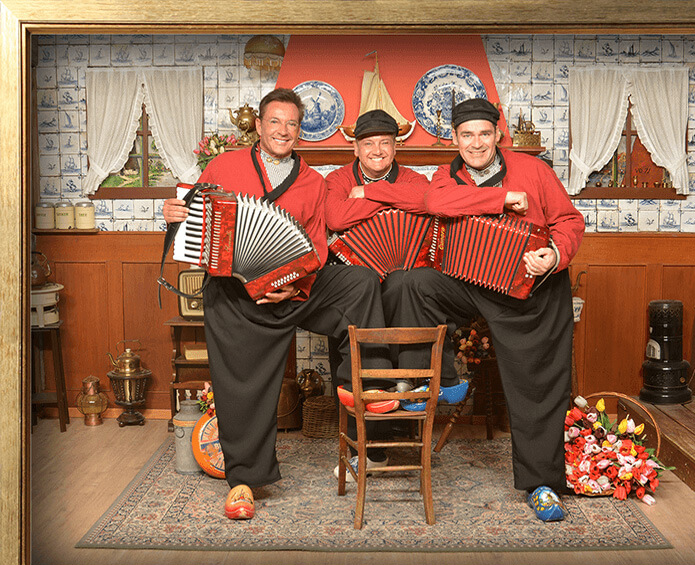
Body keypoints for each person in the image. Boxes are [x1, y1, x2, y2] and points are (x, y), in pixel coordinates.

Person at [162, 88, 394, 520]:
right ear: (259, 126)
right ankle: (244, 482)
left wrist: (296, 284)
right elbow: (193, 217)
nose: (283, 130)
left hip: (292, 291)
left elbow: (317, 248)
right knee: (240, 383)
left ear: (299, 130)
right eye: (275, 122)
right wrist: (175, 214)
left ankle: (362, 385)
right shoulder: (224, 165)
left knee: (358, 282)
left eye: (292, 124)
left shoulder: (311, 180)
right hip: (236, 294)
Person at [395, 98, 585, 522]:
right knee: (411, 283)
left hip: (533, 291)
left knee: (536, 386)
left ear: (499, 135)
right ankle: (444, 380)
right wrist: (504, 199)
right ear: (455, 139)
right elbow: (436, 205)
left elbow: (569, 222)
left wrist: (553, 256)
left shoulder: (534, 170)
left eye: (484, 133)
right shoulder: (447, 176)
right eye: (466, 135)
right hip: (474, 283)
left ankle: (541, 485)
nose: (476, 143)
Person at [325, 109, 468, 481]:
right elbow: (337, 219)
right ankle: (390, 400)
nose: (376, 150)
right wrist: (387, 198)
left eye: (384, 144)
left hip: (402, 278)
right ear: (355, 148)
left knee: (409, 284)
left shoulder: (414, 177)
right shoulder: (338, 179)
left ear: (395, 147)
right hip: (362, 279)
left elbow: (427, 201)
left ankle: (405, 388)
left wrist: (370, 192)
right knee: (366, 293)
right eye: (368, 144)